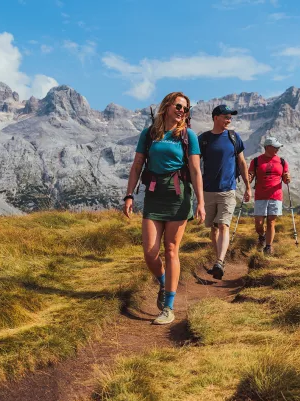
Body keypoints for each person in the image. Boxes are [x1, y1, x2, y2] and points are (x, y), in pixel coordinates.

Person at [123, 92, 205, 325]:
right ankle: (164, 281)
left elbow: (196, 170)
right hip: (153, 194)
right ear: (167, 106)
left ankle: (168, 307)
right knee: (150, 253)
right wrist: (129, 195)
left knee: (171, 250)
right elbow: (137, 164)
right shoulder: (149, 134)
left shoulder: (188, 136)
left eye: (186, 109)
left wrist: (201, 202)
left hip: (178, 196)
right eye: (179, 106)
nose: (182, 111)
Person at [198, 105, 251, 280]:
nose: (229, 119)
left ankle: (220, 261)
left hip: (228, 190)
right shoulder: (203, 139)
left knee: (223, 225)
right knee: (213, 229)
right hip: (207, 191)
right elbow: (194, 164)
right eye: (226, 116)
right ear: (215, 118)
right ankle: (218, 259)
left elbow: (242, 163)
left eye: (230, 117)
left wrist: (248, 186)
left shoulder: (234, 137)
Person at [248, 136, 291, 255]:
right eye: (275, 147)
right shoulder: (256, 161)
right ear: (267, 147)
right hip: (260, 195)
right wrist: (249, 177)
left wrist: (287, 178)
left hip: (276, 195)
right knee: (259, 224)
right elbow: (250, 175)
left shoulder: (282, 161)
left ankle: (268, 246)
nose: (278, 149)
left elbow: (286, 177)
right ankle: (261, 236)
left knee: (271, 222)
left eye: (278, 147)